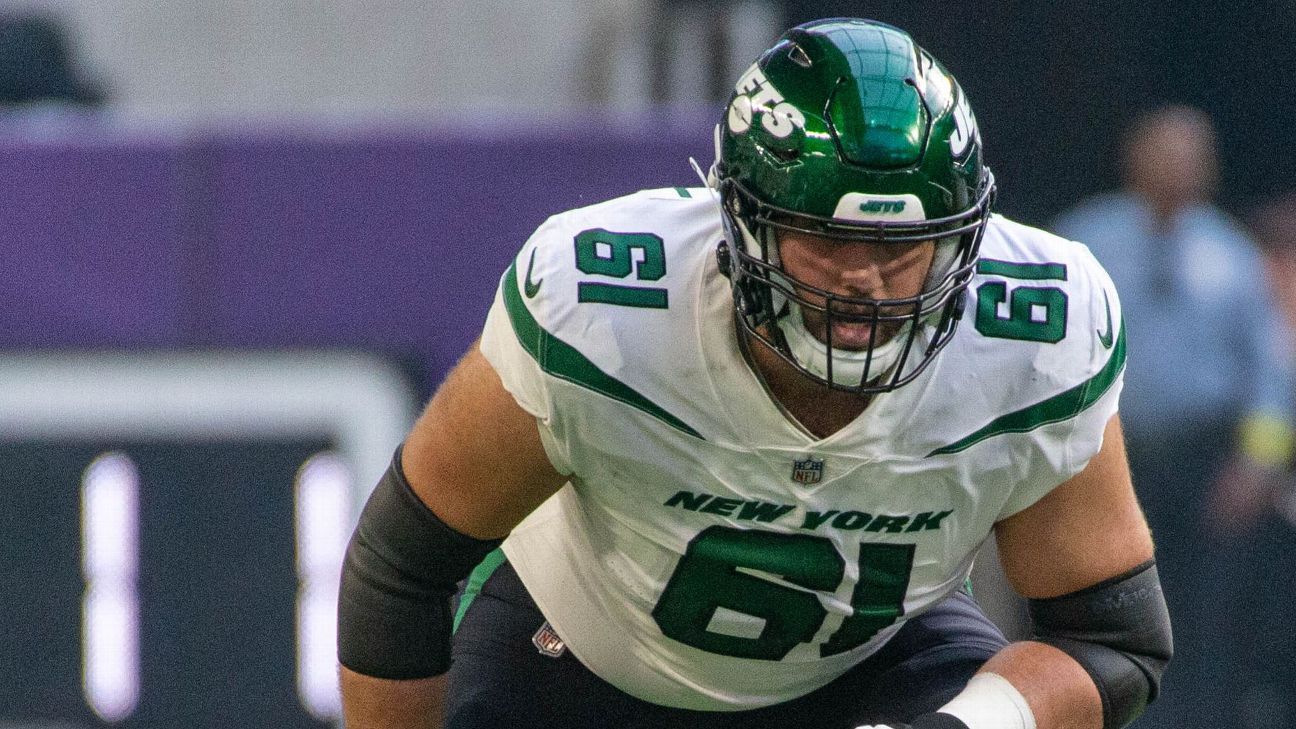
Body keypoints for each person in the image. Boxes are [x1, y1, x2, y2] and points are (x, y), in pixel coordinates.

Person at [338, 19, 1171, 729]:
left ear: (963, 238)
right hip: (585, 664)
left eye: (899, 247)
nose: (864, 281)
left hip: (873, 669)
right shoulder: (603, 312)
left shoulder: (1039, 332)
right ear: (739, 224)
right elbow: (401, 568)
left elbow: (1111, 638)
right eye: (828, 238)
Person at [1053, 107, 1294, 729]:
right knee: (1096, 600)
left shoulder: (1234, 255)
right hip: (1102, 450)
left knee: (1199, 616)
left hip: (1199, 459)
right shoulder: (1083, 241)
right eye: (1165, 151)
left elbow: (1270, 375)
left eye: (1193, 155)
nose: (1179, 166)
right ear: (1134, 156)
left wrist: (1257, 464)